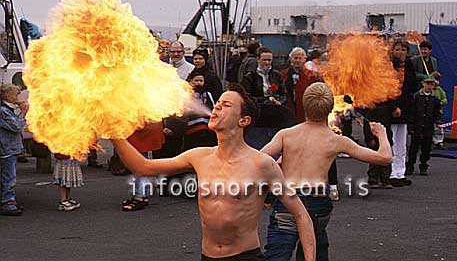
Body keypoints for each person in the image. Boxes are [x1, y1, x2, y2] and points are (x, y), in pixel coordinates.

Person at [113, 83, 316, 261]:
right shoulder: (199, 156)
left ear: (243, 121)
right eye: (218, 102)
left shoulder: (261, 164)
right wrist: (114, 134)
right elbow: (143, 167)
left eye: (226, 105)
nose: (217, 106)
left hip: (244, 257)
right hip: (208, 256)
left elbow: (300, 214)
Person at [261, 82, 392, 261]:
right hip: (317, 200)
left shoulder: (286, 134)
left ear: (304, 105)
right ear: (331, 108)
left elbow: (260, 158)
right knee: (314, 250)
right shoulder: (336, 140)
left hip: (288, 198)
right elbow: (384, 158)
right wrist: (381, 134)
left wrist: (278, 165)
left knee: (277, 253)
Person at [389, 41, 417, 187]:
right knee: (392, 142)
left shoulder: (410, 66)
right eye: (397, 49)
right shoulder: (388, 67)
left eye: (403, 50)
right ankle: (391, 173)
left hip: (405, 108)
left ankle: (400, 172)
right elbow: (385, 90)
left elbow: (412, 87)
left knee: (402, 143)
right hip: (392, 110)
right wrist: (394, 107)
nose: (400, 52)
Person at [122, 122, 165, 211]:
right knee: (141, 160)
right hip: (143, 127)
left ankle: (140, 196)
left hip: (142, 128)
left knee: (139, 163)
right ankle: (142, 194)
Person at [0, 84, 28, 216]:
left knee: (6, 176)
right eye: (15, 95)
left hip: (9, 149)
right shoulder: (3, 111)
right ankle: (7, 203)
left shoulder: (7, 109)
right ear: (8, 96)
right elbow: (16, 126)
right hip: (6, 150)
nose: (17, 98)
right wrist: (23, 113)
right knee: (9, 178)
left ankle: (8, 201)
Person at [406, 75, 442, 175]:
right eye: (428, 84)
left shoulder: (435, 99)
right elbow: (412, 112)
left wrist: (438, 121)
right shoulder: (416, 97)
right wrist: (411, 126)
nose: (430, 86)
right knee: (413, 148)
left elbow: (437, 112)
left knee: (426, 148)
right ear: (423, 84)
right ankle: (410, 166)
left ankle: (423, 165)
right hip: (417, 125)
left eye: (432, 84)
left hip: (428, 126)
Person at [184, 70, 217, 150]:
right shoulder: (185, 94)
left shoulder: (208, 94)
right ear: (190, 81)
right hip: (190, 131)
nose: (199, 83)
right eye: (196, 80)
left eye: (201, 81)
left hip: (207, 131)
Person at [281, 47, 308, 122]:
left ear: (304, 59)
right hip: (288, 109)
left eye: (300, 58)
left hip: (304, 111)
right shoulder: (282, 74)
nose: (297, 60)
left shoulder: (311, 75)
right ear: (291, 59)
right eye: (295, 58)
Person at [432, 73, 448, 150]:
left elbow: (445, 100)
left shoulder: (440, 90)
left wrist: (440, 103)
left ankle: (438, 141)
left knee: (438, 127)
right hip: (428, 112)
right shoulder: (428, 89)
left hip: (438, 112)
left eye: (437, 80)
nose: (436, 82)